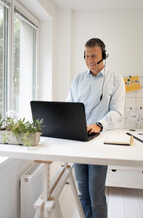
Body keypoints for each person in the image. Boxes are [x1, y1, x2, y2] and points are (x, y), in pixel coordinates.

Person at [67, 38, 125, 218]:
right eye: (86, 56)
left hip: (100, 143)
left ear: (103, 56)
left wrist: (99, 125)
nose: (90, 60)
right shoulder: (77, 80)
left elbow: (117, 112)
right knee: (83, 193)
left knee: (96, 195)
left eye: (94, 56)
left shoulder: (116, 79)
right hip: (79, 141)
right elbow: (69, 106)